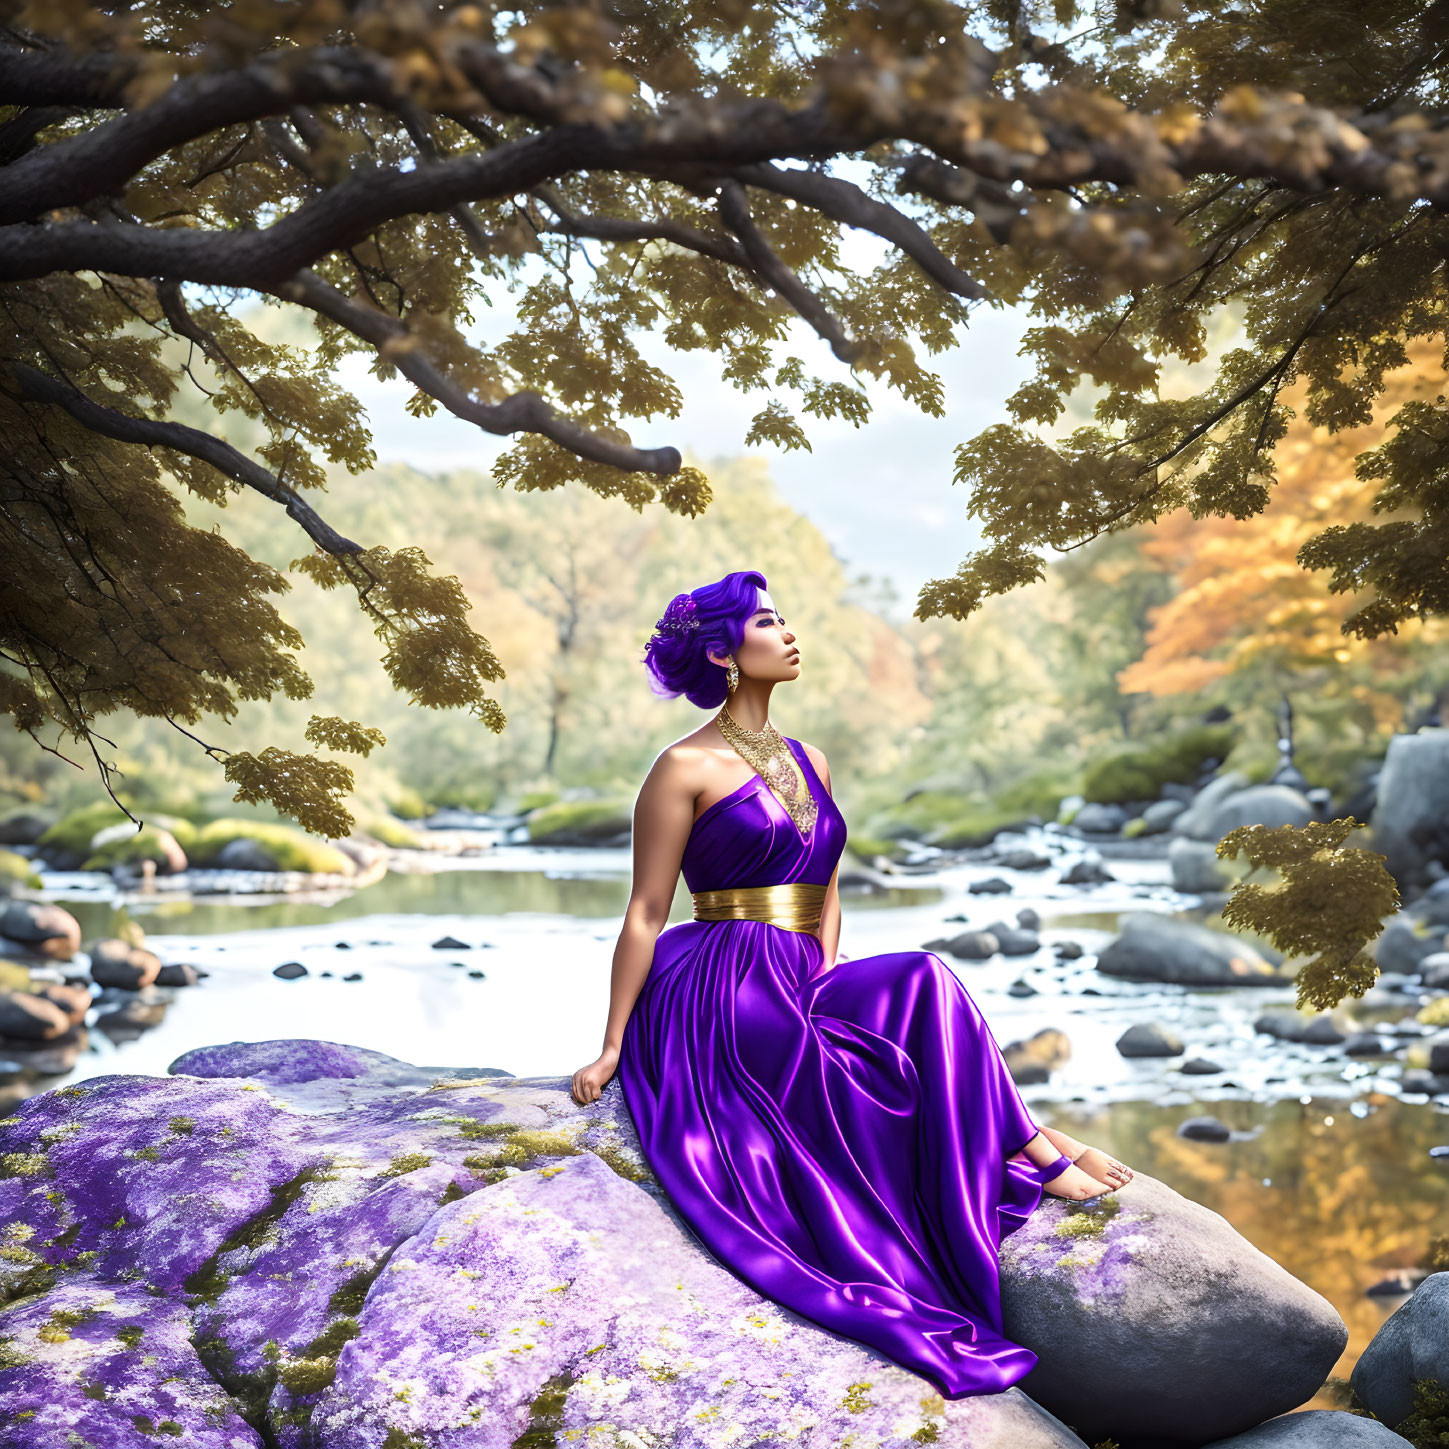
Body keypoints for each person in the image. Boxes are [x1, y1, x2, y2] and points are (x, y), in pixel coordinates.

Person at [569, 568, 1134, 1399]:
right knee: (879, 1018)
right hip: (719, 981)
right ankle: (1039, 1151)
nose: (790, 631)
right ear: (724, 652)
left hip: (799, 971)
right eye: (768, 621)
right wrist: (613, 1044)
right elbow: (646, 911)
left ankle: (1025, 1141)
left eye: (785, 615)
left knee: (922, 980)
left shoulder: (812, 760)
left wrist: (822, 979)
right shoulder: (681, 766)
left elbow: (825, 888)